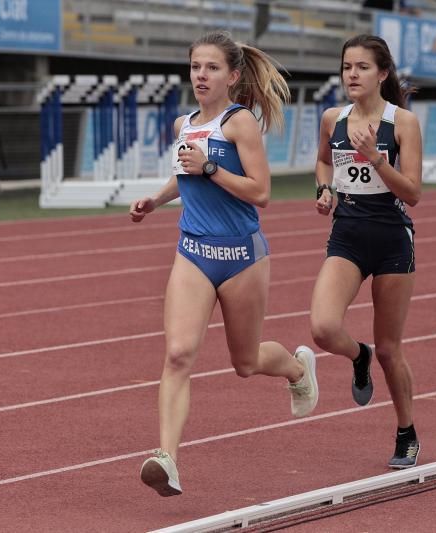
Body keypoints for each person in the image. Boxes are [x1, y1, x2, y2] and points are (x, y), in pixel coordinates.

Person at [130, 30, 319, 497]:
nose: (201, 75)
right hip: (193, 251)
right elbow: (184, 175)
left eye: (211, 67)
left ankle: (297, 370)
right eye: (196, 66)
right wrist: (156, 199)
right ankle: (167, 458)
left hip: (240, 257)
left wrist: (211, 169)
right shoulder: (183, 125)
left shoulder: (240, 124)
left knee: (246, 361)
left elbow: (261, 193)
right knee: (177, 354)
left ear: (232, 76)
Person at [311, 34, 423, 469]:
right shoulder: (332, 118)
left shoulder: (402, 124)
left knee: (391, 347)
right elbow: (323, 162)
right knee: (322, 328)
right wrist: (324, 190)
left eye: (360, 67)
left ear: (382, 73)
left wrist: (376, 158)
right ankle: (359, 356)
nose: (351, 75)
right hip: (348, 235)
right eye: (346, 67)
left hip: (393, 240)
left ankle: (406, 431)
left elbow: (412, 193)